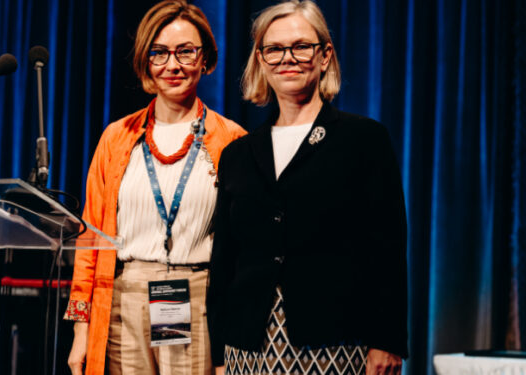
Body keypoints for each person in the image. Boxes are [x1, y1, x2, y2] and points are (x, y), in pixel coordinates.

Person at [206, 1, 407, 374]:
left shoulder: (364, 139)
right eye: (275, 49)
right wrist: (218, 354)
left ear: (325, 55)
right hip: (247, 345)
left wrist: (388, 340)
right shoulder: (238, 153)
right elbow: (225, 263)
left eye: (301, 46)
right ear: (261, 60)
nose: (288, 58)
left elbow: (388, 250)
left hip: (336, 339)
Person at [65, 1, 246, 374]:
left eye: (186, 52)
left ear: (206, 59)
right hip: (123, 298)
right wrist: (81, 333)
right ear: (146, 61)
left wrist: (231, 346)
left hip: (196, 295)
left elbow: (243, 252)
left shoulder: (232, 141)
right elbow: (89, 240)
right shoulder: (116, 138)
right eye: (159, 53)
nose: (173, 65)